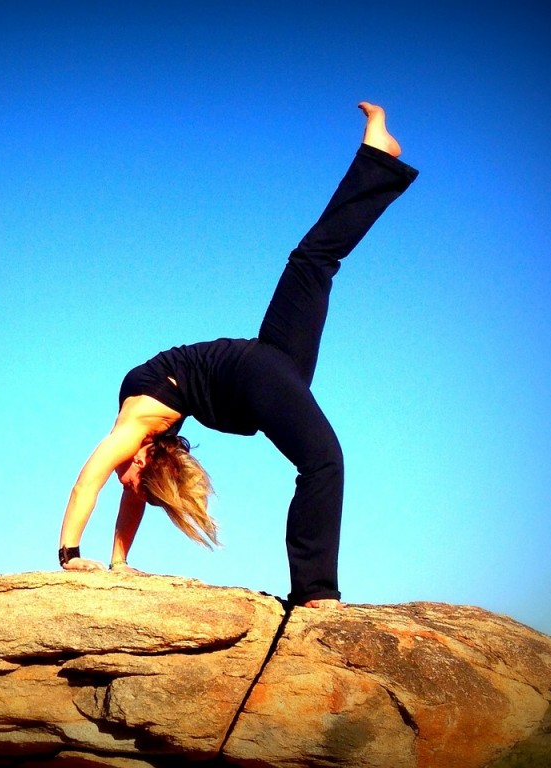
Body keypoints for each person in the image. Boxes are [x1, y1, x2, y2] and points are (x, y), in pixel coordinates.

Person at [57, 102, 418, 608]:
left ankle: (377, 159)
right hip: (256, 377)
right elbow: (125, 498)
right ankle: (316, 591)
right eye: (138, 479)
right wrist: (119, 567)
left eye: (134, 479)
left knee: (313, 262)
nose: (129, 483)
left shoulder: (133, 432)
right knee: (323, 462)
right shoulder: (142, 434)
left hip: (263, 368)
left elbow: (85, 482)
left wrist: (70, 554)